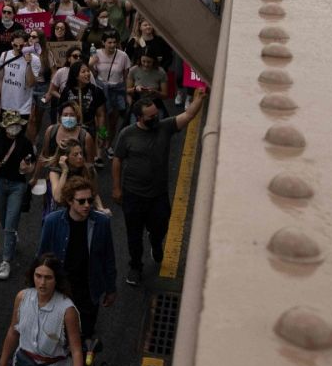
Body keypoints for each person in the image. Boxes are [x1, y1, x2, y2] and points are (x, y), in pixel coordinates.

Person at [112, 87, 206, 286]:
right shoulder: (127, 134)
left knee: (162, 224)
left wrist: (199, 98)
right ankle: (135, 266)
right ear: (139, 117)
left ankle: (155, 241)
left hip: (158, 194)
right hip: (133, 194)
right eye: (150, 116)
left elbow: (188, 115)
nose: (155, 118)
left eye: (156, 115)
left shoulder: (165, 127)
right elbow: (117, 160)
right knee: (134, 235)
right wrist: (116, 188)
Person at [0, 255, 84, 366]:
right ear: (32, 275)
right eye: (38, 276)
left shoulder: (67, 310)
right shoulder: (22, 298)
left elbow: (76, 351)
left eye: (48, 278)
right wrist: (3, 364)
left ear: (56, 280)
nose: (42, 283)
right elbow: (13, 331)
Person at [36, 177, 118, 334]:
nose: (87, 205)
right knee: (57, 333)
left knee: (85, 333)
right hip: (60, 289)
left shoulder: (102, 223)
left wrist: (111, 288)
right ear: (69, 201)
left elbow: (108, 257)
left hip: (88, 289)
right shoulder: (52, 222)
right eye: (81, 201)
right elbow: (41, 257)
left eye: (90, 200)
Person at [0, 112, 37, 280]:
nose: (15, 128)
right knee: (3, 218)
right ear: (4, 126)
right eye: (12, 125)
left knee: (11, 221)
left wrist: (26, 168)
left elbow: (32, 166)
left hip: (17, 185)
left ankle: (6, 260)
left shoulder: (25, 143)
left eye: (17, 125)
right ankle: (11, 236)